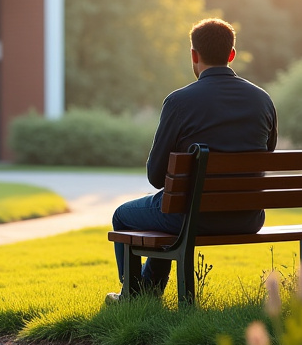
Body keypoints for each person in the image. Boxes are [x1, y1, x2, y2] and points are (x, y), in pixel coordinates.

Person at [107, 18, 278, 303]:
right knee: (167, 209)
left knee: (124, 215)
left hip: (192, 218)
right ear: (232, 54)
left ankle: (135, 297)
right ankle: (147, 293)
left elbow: (156, 176)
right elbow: (267, 156)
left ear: (194, 55)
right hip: (248, 217)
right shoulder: (262, 100)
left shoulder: (179, 101)